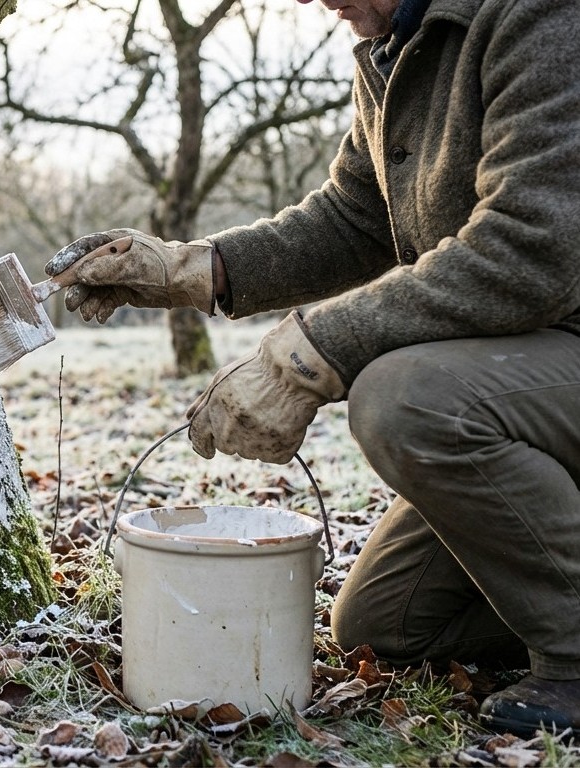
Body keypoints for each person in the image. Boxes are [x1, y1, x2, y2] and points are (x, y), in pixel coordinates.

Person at [46, 0, 580, 736]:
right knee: (387, 624)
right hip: (538, 368)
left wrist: (307, 355)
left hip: (555, 350)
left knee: (408, 399)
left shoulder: (541, 17)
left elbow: (531, 249)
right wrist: (191, 269)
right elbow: (355, 217)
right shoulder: (396, 47)